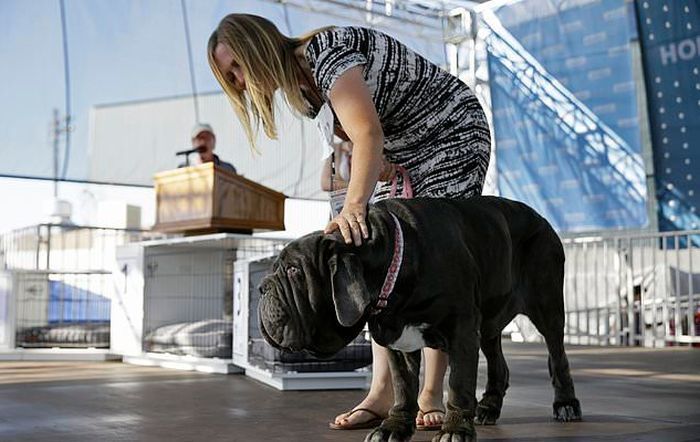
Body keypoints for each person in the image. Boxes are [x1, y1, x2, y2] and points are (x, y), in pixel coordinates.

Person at [207, 14, 491, 431]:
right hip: (404, 149)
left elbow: (367, 134)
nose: (238, 82)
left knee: (435, 261)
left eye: (237, 66)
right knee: (375, 262)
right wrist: (361, 182)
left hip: (450, 133)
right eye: (228, 77)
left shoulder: (325, 53)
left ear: (258, 47)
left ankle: (431, 393)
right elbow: (359, 145)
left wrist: (356, 205)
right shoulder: (303, 95)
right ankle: (383, 392)